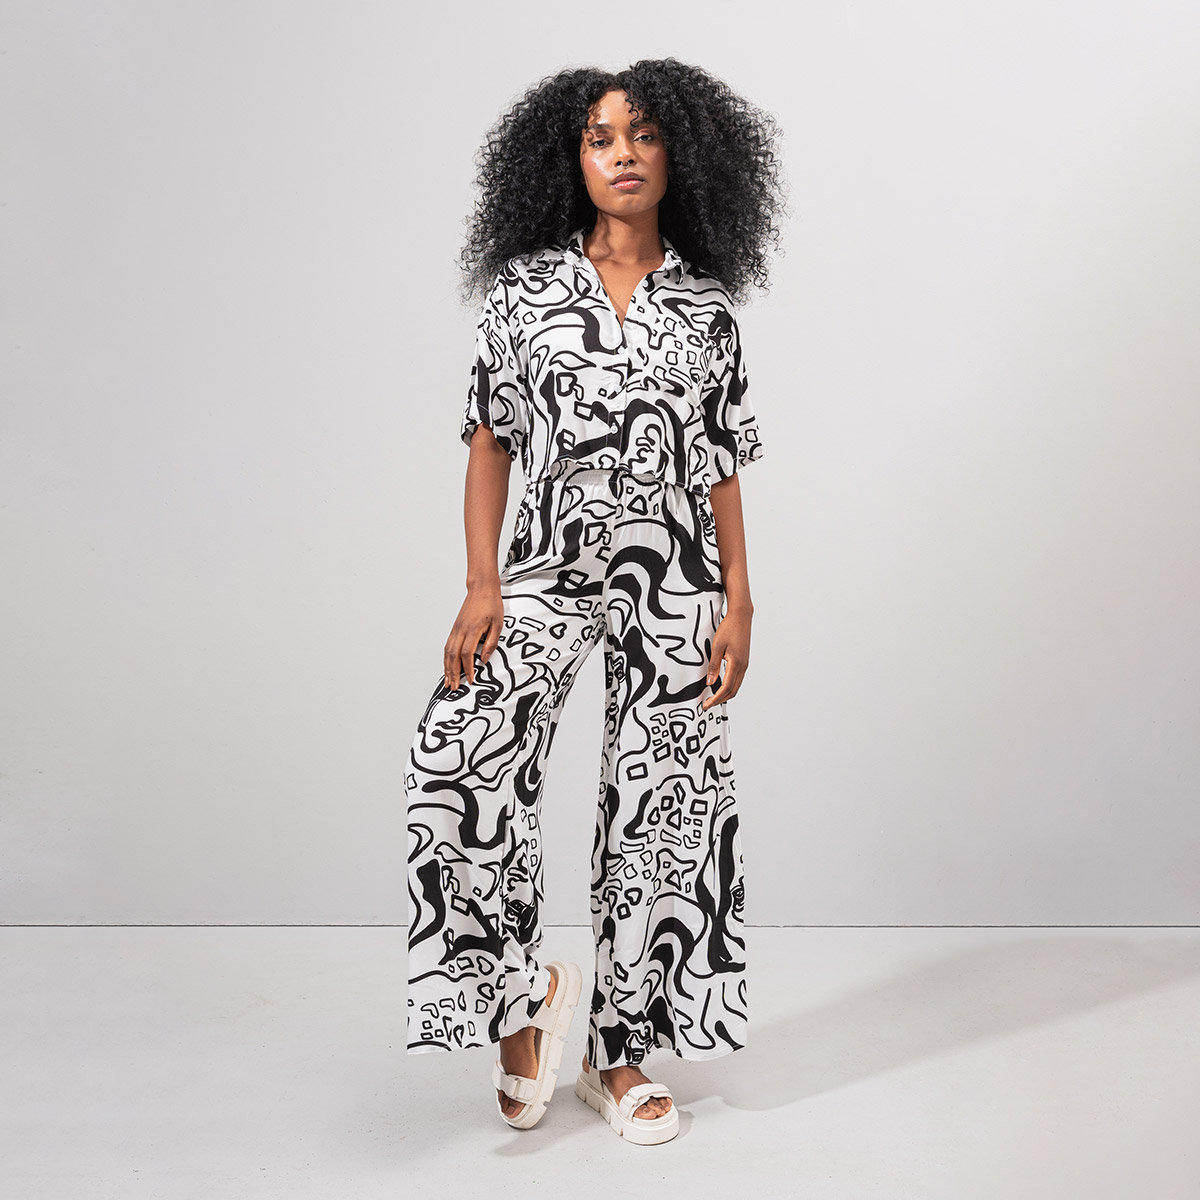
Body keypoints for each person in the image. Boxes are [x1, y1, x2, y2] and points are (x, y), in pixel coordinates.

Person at [404, 58, 785, 1144]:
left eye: (644, 134)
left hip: (677, 578)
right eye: (599, 137)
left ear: (682, 155)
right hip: (545, 568)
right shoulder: (525, 293)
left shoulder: (707, 309)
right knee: (455, 756)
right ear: (567, 160)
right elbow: (488, 442)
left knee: (662, 806)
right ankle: (519, 1002)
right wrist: (481, 581)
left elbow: (722, 463)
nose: (622, 154)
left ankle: (619, 1055)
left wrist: (741, 601)